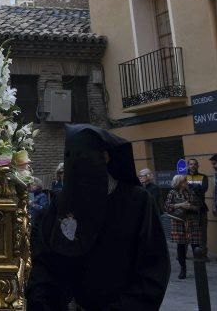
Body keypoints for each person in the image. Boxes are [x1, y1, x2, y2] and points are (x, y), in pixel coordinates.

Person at [26, 124, 170, 310]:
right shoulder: (60, 203)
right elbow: (44, 260)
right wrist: (43, 302)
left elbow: (153, 268)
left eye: (84, 158)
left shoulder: (138, 201)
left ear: (105, 157)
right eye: (71, 159)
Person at [164, 174, 202, 279]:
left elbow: (199, 207)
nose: (186, 183)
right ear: (179, 183)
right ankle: (183, 270)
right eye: (184, 181)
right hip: (178, 222)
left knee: (196, 246)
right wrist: (180, 205)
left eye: (186, 181)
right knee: (180, 247)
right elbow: (167, 207)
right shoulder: (172, 193)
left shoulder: (191, 192)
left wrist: (191, 207)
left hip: (192, 221)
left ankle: (199, 270)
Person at [185, 158, 209, 256]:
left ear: (198, 166)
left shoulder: (203, 177)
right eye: (191, 164)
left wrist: (190, 186)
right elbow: (182, 191)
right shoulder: (184, 177)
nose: (193, 166)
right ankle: (185, 253)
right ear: (188, 166)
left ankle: (203, 253)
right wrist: (196, 187)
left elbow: (203, 189)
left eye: (195, 164)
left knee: (203, 232)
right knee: (188, 232)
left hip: (201, 208)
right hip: (187, 209)